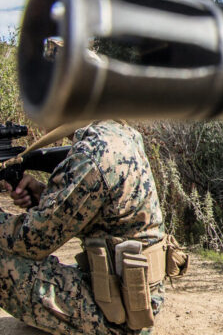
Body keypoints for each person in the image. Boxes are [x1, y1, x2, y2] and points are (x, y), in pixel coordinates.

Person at [0, 120, 166, 334]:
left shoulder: (91, 154)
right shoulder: (116, 134)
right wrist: (41, 195)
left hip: (120, 314)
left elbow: (32, 241)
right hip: (135, 298)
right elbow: (93, 211)